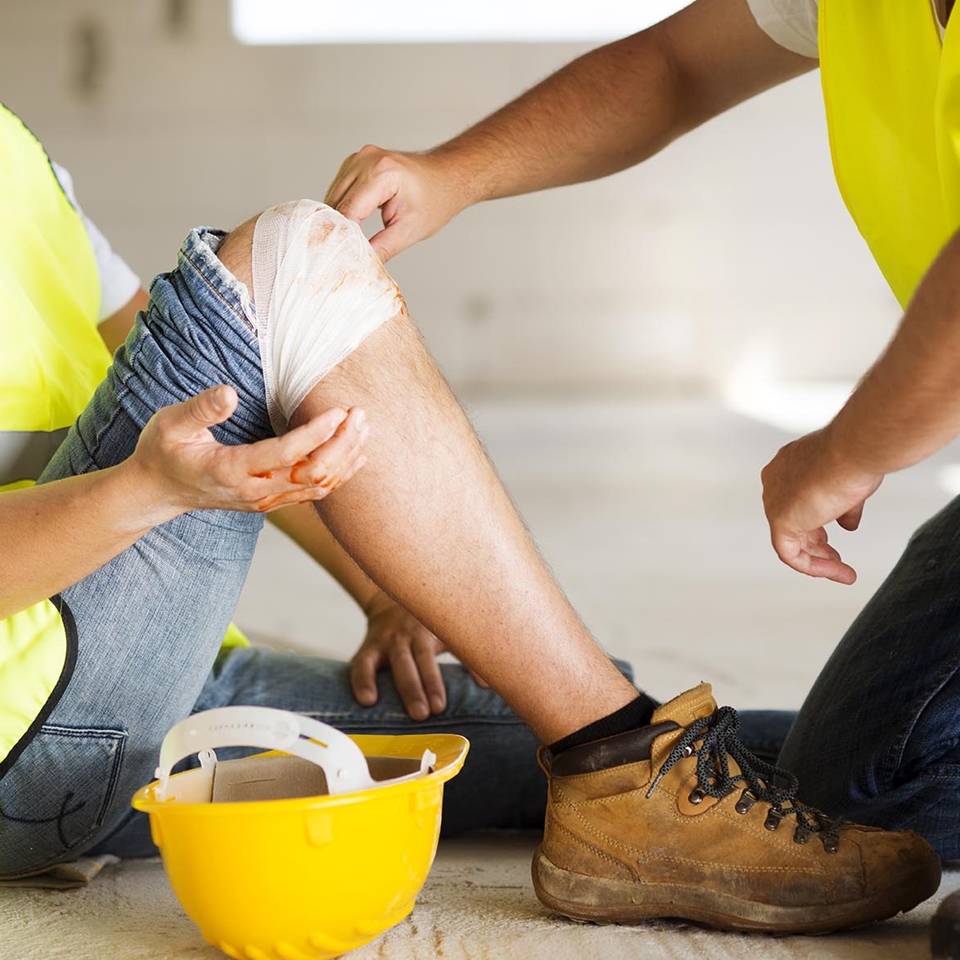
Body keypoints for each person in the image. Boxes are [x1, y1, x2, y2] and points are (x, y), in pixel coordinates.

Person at [0, 92, 939, 936]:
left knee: (737, 756)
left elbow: (220, 389)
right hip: (28, 734)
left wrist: (388, 589)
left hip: (142, 689)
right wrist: (142, 493)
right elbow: (241, 333)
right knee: (291, 255)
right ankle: (621, 758)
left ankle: (637, 765)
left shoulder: (20, 158)